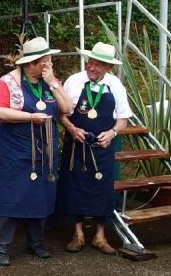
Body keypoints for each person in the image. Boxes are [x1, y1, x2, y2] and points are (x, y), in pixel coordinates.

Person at [0, 37, 73, 266]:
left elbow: (67, 109)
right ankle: (0, 247)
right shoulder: (8, 82)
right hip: (15, 149)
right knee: (10, 195)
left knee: (40, 194)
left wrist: (53, 84)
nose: (49, 63)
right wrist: (30, 117)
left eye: (49, 59)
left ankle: (36, 242)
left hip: (44, 149)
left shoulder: (50, 81)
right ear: (31, 63)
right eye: (45, 59)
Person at [57, 42, 132, 255]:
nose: (92, 67)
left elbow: (123, 117)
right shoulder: (74, 81)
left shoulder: (115, 84)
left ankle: (100, 236)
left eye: (99, 65)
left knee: (102, 189)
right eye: (91, 62)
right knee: (74, 187)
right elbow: (61, 113)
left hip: (103, 146)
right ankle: (78, 234)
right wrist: (71, 128)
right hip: (77, 146)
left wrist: (112, 133)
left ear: (109, 67)